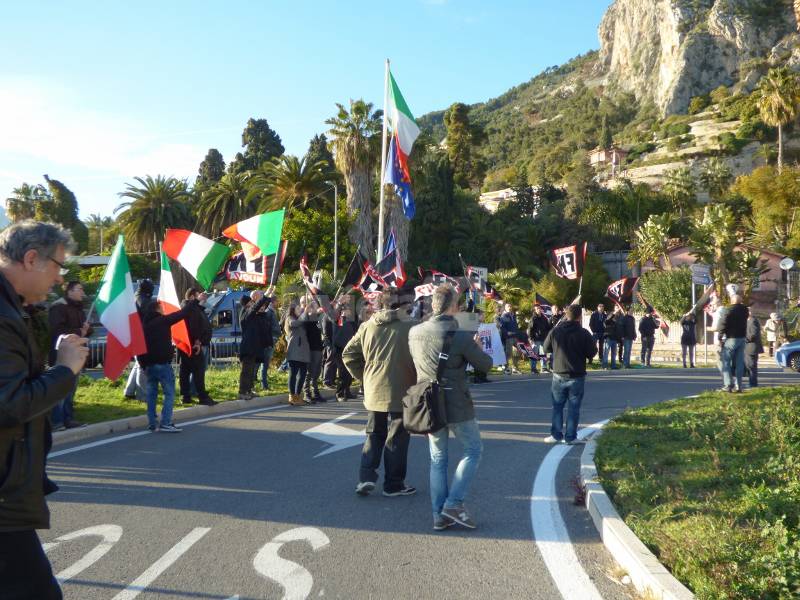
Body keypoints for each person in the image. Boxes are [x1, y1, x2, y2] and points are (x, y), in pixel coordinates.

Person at [0, 221, 89, 600]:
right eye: (57, 266)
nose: (58, 278)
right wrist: (66, 368)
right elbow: (10, 403)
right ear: (31, 258)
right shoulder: (3, 316)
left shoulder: (14, 308)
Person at [409, 284, 493, 531]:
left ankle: (438, 515)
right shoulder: (462, 336)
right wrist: (476, 345)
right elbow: (485, 365)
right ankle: (454, 503)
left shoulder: (414, 332)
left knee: (437, 459)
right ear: (453, 306)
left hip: (428, 403)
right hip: (456, 403)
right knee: (473, 450)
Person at [343, 290, 417, 498]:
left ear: (379, 305)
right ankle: (393, 484)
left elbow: (348, 354)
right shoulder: (411, 326)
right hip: (404, 387)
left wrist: (363, 377)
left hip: (374, 388)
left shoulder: (367, 326)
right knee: (398, 437)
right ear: (401, 304)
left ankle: (366, 476)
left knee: (374, 434)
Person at [542, 304, 597, 445]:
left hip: (559, 373)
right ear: (579, 317)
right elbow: (592, 352)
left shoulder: (556, 331)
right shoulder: (584, 333)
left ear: (566, 315)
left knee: (557, 407)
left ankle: (556, 434)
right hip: (577, 374)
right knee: (574, 408)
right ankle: (570, 437)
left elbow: (546, 347)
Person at [139, 299, 196, 432]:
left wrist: (143, 364)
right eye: (161, 307)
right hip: (162, 364)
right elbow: (181, 314)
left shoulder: (144, 325)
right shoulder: (162, 321)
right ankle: (166, 422)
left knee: (151, 394)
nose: (163, 309)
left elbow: (140, 346)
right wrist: (195, 301)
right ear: (157, 309)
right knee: (169, 393)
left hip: (148, 365)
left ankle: (152, 422)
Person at [48, 280, 91, 429]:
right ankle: (57, 421)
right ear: (70, 291)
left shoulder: (78, 309)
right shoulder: (58, 308)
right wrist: (80, 331)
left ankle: (68, 419)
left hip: (76, 356)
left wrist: (86, 329)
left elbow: (84, 329)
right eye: (79, 289)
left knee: (71, 389)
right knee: (60, 388)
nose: (82, 293)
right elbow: (58, 331)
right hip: (62, 356)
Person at [178, 288, 216, 407]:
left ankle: (188, 395)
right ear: (193, 297)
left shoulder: (196, 308)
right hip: (192, 345)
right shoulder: (187, 306)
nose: (202, 296)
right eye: (198, 295)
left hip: (196, 344)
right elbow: (193, 326)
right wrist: (197, 341)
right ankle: (200, 396)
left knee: (189, 370)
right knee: (196, 371)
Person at [237, 288, 274, 401]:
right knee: (246, 371)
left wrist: (267, 297)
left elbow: (261, 310)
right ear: (248, 303)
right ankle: (242, 391)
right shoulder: (245, 313)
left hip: (254, 347)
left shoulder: (252, 314)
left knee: (251, 370)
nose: (253, 303)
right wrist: (265, 296)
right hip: (248, 347)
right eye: (251, 302)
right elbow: (255, 308)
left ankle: (249, 390)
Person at [124, 279, 155, 400]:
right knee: (143, 364)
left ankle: (129, 391)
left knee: (139, 364)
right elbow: (147, 312)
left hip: (138, 334)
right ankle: (143, 394)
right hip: (141, 335)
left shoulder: (138, 296)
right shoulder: (142, 299)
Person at [719, 294, 748, 392]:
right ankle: (739, 386)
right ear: (740, 301)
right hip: (742, 338)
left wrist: (720, 336)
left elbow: (723, 323)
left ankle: (728, 384)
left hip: (731, 338)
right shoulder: (745, 310)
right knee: (739, 363)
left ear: (731, 301)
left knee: (726, 361)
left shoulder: (728, 310)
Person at [285, 300, 312, 406]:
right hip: (294, 351)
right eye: (297, 309)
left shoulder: (302, 319)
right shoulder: (290, 319)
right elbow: (294, 324)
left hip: (304, 352)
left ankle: (297, 395)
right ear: (292, 310)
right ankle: (292, 395)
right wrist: (305, 312)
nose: (300, 310)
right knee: (293, 374)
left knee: (302, 374)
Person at [332, 304, 357, 402]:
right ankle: (339, 393)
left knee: (349, 372)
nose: (349, 311)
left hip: (350, 349)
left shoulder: (351, 322)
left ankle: (347, 391)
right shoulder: (338, 320)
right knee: (343, 373)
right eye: (347, 310)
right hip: (339, 349)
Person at [303, 300, 326, 403]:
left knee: (316, 373)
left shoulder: (316, 320)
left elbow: (319, 332)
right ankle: (306, 393)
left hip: (318, 348)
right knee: (309, 372)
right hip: (311, 349)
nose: (318, 308)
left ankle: (316, 393)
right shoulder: (308, 319)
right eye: (315, 307)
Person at [258, 297, 280, 391]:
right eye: (276, 301)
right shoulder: (268, 312)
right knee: (264, 363)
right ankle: (264, 384)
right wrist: (273, 338)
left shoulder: (271, 311)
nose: (278, 303)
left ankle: (263, 383)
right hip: (268, 341)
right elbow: (267, 327)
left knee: (265, 364)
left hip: (270, 340)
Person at [496, 302, 520, 374]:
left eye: (510, 306)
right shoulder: (504, 316)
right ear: (505, 308)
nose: (510, 307)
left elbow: (515, 325)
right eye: (508, 306)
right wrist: (507, 332)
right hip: (508, 337)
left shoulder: (513, 315)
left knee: (517, 352)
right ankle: (507, 368)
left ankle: (515, 368)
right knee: (508, 354)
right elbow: (502, 327)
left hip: (515, 336)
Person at [527, 304, 551, 374]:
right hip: (536, 339)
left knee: (543, 353)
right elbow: (530, 329)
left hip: (544, 338)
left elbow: (547, 328)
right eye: (537, 309)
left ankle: (543, 368)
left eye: (539, 308)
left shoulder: (544, 318)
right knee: (534, 354)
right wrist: (531, 339)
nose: (539, 310)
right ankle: (533, 368)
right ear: (535, 310)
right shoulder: (533, 318)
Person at [745, 308, 763, 388]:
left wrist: (744, 339)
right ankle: (752, 383)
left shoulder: (752, 321)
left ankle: (753, 384)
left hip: (751, 347)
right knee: (750, 366)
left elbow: (753, 334)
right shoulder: (749, 320)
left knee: (751, 366)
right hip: (750, 347)